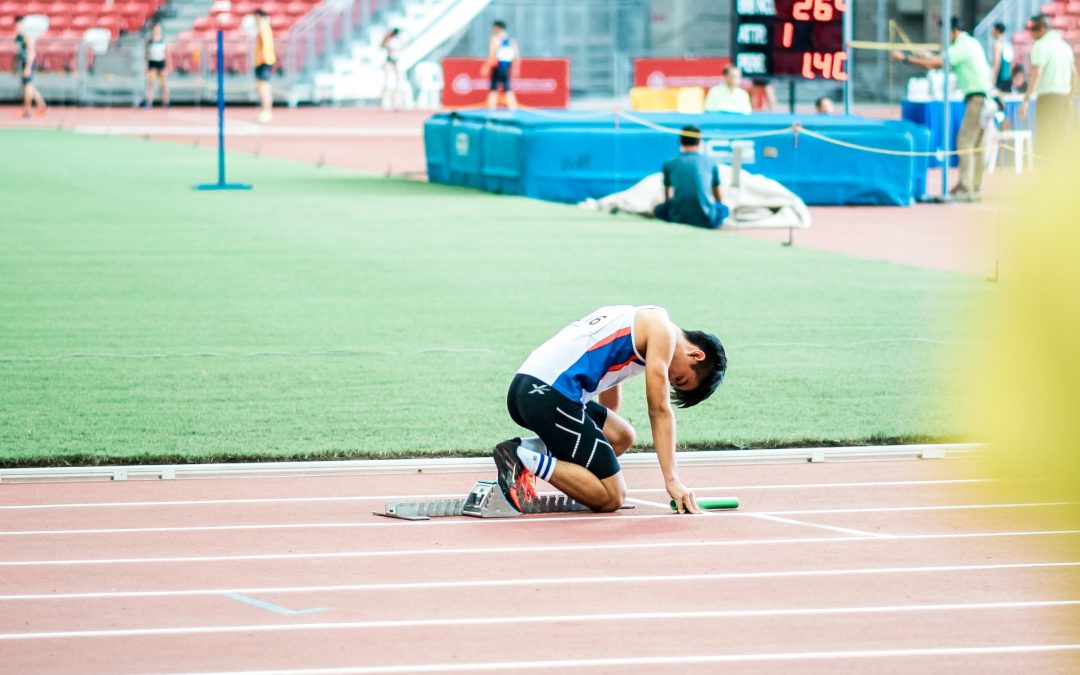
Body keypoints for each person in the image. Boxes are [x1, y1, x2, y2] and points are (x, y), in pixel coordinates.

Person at [493, 305, 727, 514]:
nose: (669, 379)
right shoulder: (662, 332)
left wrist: (596, 442)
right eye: (680, 379)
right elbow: (659, 409)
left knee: (622, 436)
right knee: (613, 497)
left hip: (528, 387)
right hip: (548, 395)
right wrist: (672, 479)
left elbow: (610, 380)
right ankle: (522, 457)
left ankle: (531, 449)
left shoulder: (643, 319)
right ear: (696, 355)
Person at [893, 18, 991, 202]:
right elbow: (943, 60)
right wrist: (924, 55)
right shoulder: (971, 43)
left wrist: (905, 59)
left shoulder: (962, 45)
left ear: (953, 31)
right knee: (977, 145)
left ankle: (967, 187)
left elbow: (938, 63)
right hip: (983, 98)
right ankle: (974, 186)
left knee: (965, 143)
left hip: (977, 99)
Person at [1021, 14, 1077, 158]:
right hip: (1064, 99)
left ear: (1043, 29)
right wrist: (1070, 98)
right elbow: (1074, 76)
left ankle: (1048, 177)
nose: (1031, 32)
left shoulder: (1039, 46)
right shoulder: (1065, 46)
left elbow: (1036, 74)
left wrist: (1026, 101)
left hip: (1048, 100)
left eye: (1034, 28)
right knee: (1062, 140)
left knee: (1047, 142)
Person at [653, 125, 728, 229]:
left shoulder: (669, 163)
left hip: (677, 218)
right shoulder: (710, 162)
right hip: (707, 220)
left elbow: (667, 195)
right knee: (723, 209)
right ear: (700, 142)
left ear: (680, 141)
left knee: (659, 209)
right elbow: (717, 193)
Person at [14, 16, 47, 119]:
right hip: (23, 64)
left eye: (18, 26)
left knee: (28, 87)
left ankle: (27, 110)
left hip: (28, 64)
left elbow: (32, 52)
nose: (16, 28)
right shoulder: (18, 37)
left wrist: (28, 67)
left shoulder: (26, 36)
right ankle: (41, 104)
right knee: (28, 86)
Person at [482, 20, 518, 109]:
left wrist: (486, 66)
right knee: (507, 87)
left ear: (497, 28)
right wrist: (515, 68)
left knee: (494, 87)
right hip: (506, 66)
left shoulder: (495, 39)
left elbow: (493, 53)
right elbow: (516, 56)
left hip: (497, 66)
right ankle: (513, 108)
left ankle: (491, 108)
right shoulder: (511, 40)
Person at [253, 9, 275, 123]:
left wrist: (262, 58)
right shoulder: (264, 27)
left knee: (263, 87)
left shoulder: (263, 27)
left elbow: (265, 44)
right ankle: (265, 110)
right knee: (262, 87)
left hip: (263, 61)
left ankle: (266, 111)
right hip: (264, 60)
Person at [144, 21, 170, 109]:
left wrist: (168, 66)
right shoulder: (149, 42)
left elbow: (167, 54)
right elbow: (146, 56)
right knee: (151, 83)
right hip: (152, 63)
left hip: (161, 62)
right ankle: (149, 102)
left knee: (164, 84)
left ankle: (165, 102)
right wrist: (146, 67)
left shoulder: (163, 41)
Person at [380, 27, 404, 111]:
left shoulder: (397, 41)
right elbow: (382, 45)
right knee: (389, 83)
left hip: (396, 63)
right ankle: (386, 103)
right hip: (390, 63)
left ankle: (396, 104)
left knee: (397, 84)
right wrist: (387, 37)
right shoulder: (391, 41)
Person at [990, 22, 1014, 94]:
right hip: (1007, 77)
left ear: (997, 31)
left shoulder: (997, 44)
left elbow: (997, 61)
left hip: (1000, 77)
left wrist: (993, 77)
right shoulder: (1007, 44)